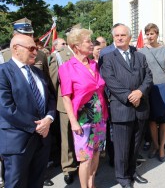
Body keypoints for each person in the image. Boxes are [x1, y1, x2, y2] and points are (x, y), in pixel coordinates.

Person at [0, 34, 56, 188]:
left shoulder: (38, 73)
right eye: (31, 48)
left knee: (36, 182)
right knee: (16, 184)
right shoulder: (3, 72)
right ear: (16, 49)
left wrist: (49, 119)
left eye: (36, 49)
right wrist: (37, 126)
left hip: (42, 140)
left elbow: (51, 98)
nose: (35, 52)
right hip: (17, 142)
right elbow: (6, 107)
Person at [101, 24, 153, 188]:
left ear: (129, 37)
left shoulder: (140, 56)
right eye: (116, 36)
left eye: (123, 35)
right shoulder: (108, 58)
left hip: (140, 108)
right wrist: (130, 97)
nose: (120, 38)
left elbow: (149, 77)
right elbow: (110, 82)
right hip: (121, 108)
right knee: (122, 148)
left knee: (135, 146)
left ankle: (132, 172)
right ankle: (123, 178)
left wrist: (140, 92)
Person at [58, 28, 108, 188]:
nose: (92, 43)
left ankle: (92, 183)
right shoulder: (67, 67)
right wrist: (73, 122)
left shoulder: (94, 64)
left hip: (100, 116)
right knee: (85, 159)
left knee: (96, 154)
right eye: (88, 41)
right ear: (76, 46)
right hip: (82, 118)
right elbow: (66, 97)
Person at [139, 23, 165, 162]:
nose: (149, 36)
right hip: (148, 88)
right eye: (147, 34)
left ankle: (162, 147)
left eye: (152, 33)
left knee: (163, 119)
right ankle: (156, 145)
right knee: (151, 119)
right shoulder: (141, 51)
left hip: (162, 87)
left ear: (157, 34)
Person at [48, 36, 78, 185]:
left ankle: (82, 162)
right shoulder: (58, 55)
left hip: (83, 103)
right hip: (66, 102)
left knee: (81, 134)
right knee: (67, 138)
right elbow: (53, 82)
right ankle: (68, 168)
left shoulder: (84, 54)